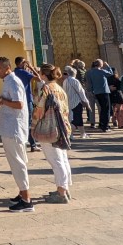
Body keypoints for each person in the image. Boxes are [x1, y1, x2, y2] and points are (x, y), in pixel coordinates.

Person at [0, 56, 34, 213]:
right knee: (17, 162)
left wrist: (1, 100)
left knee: (18, 163)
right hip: (10, 128)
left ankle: (26, 200)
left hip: (13, 129)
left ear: (7, 67)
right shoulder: (9, 81)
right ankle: (22, 192)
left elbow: (19, 104)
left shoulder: (13, 81)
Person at [32, 64, 72, 204]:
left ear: (43, 75)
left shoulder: (46, 88)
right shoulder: (59, 88)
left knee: (56, 160)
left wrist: (34, 124)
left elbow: (39, 108)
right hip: (62, 126)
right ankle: (65, 189)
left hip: (50, 128)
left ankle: (61, 192)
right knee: (63, 159)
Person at [14, 57, 41, 152]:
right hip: (27, 99)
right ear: (21, 63)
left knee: (22, 121)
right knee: (29, 122)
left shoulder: (15, 72)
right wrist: (31, 67)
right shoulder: (23, 72)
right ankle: (33, 144)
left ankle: (24, 142)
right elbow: (39, 78)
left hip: (19, 100)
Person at [62, 66, 91, 139]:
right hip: (77, 102)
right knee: (76, 120)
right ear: (74, 74)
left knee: (77, 119)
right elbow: (81, 92)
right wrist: (87, 102)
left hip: (68, 102)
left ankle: (83, 133)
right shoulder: (75, 81)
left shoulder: (65, 81)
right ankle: (68, 133)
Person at [85, 59, 112, 132]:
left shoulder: (90, 72)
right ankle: (105, 126)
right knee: (106, 109)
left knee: (102, 109)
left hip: (96, 92)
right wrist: (108, 66)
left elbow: (89, 83)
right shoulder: (101, 71)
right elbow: (110, 73)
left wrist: (91, 91)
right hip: (104, 92)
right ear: (100, 64)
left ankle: (101, 124)